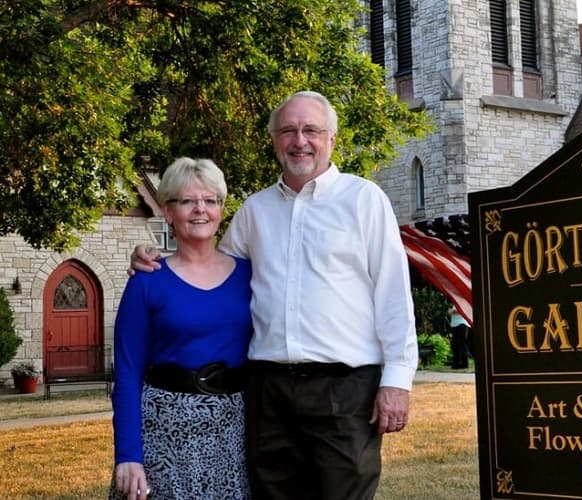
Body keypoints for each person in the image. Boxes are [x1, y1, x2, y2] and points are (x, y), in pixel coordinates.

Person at [132, 91, 418, 500]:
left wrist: (397, 381)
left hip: (345, 389)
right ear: (274, 141)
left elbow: (393, 294)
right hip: (268, 391)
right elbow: (209, 268)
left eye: (311, 130)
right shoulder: (255, 210)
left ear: (331, 139)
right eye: (288, 131)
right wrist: (153, 258)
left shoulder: (363, 200)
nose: (299, 140)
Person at [112, 158, 253, 500]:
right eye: (187, 201)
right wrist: (128, 455)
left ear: (222, 208)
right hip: (163, 428)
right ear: (167, 211)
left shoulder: (251, 275)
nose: (200, 210)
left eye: (210, 200)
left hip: (234, 428)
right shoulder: (147, 281)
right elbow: (127, 373)